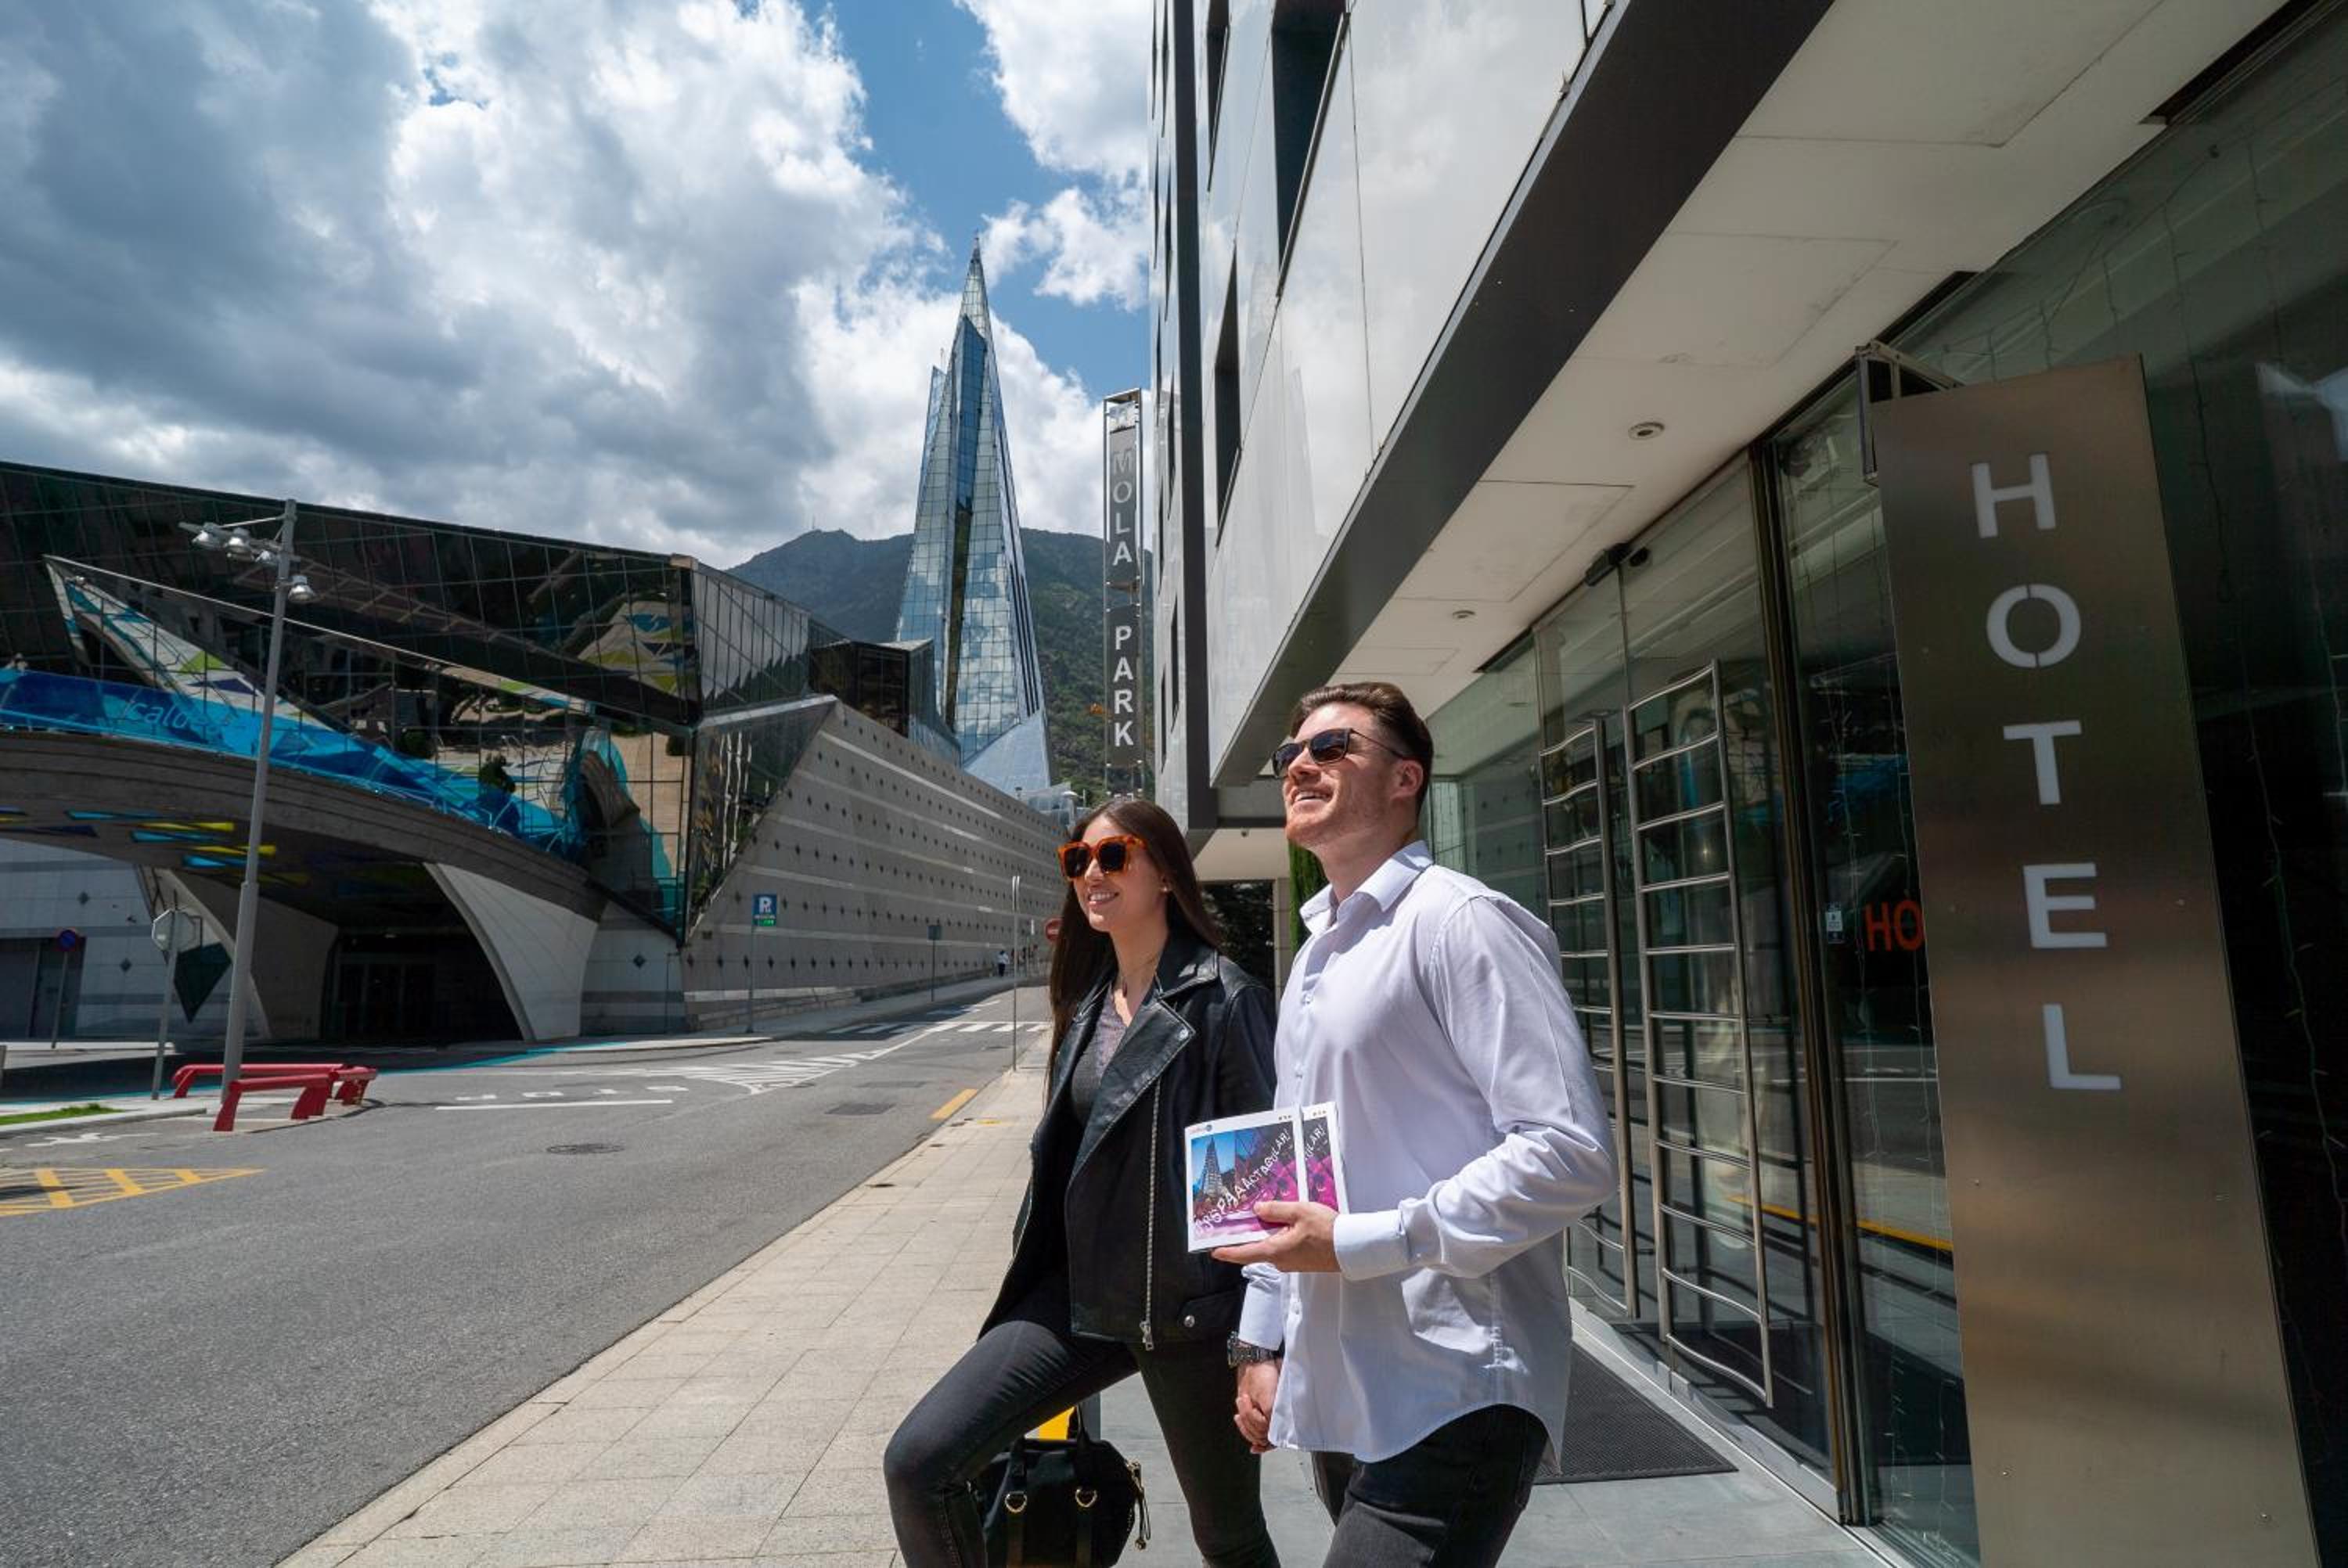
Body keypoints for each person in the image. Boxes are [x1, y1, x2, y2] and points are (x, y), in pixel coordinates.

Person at [1214, 681, 1617, 1568]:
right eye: (1290, 754)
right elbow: (1291, 1165)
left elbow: (1570, 1153)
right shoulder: (1317, 952)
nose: (1300, 766)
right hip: (1343, 1387)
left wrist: (1362, 1240)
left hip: (1455, 1381)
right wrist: (1260, 1340)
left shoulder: (1461, 921)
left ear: (1406, 779)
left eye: (1332, 748)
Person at [885, 797, 1283, 1568]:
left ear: (1164, 874)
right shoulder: (1092, 1000)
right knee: (921, 1462)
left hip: (1188, 1312)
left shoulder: (1225, 999)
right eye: (1078, 860)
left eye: (1114, 855)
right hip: (1080, 1298)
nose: (1091, 873)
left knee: (1228, 1539)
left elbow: (1261, 1184)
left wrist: (1258, 1341)